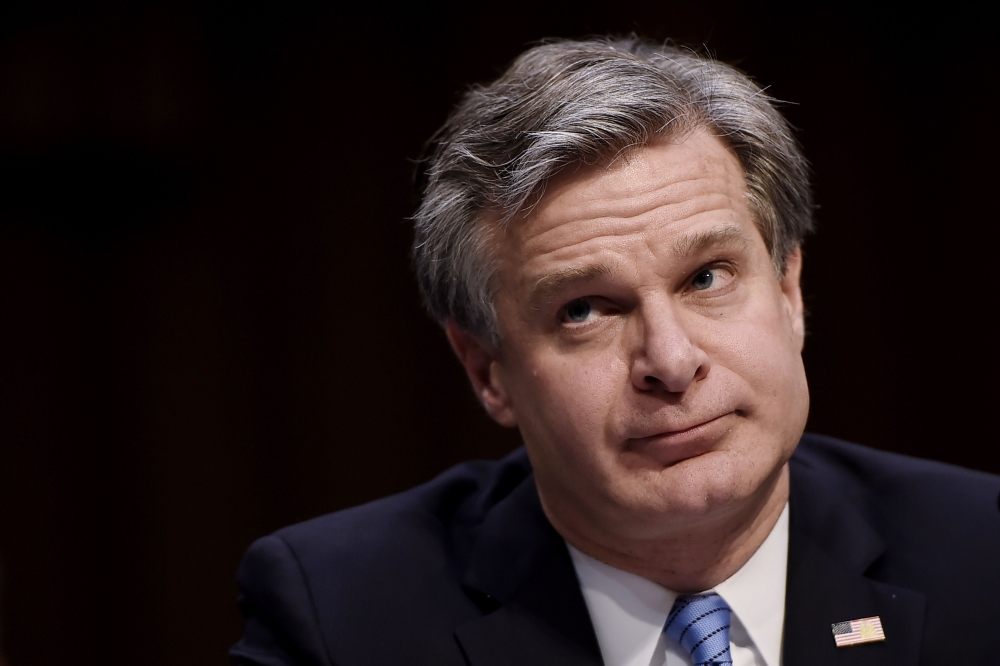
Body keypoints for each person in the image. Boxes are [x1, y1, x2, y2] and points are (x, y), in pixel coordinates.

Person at [229, 37, 1000, 666]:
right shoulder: (340, 622)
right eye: (585, 310)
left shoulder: (983, 558)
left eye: (706, 277)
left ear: (789, 291)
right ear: (488, 371)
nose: (671, 361)